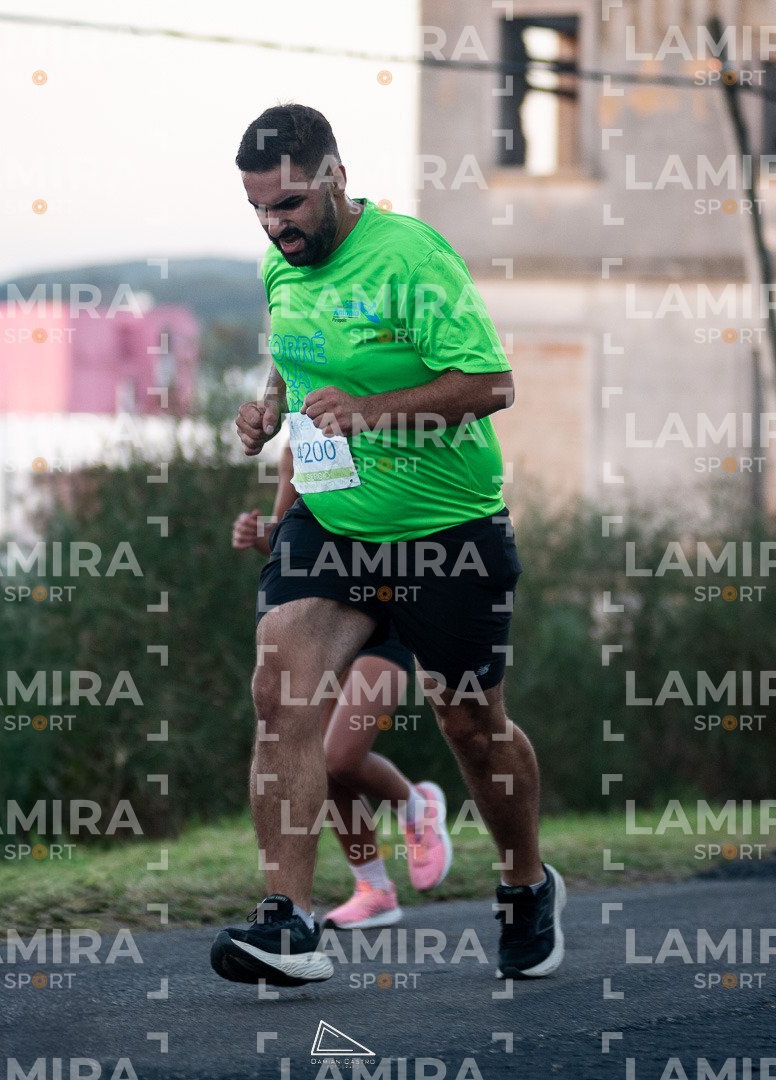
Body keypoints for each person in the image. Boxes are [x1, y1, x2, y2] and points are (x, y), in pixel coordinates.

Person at [210, 103, 565, 988]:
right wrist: (269, 408)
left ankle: (527, 883)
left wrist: (370, 413)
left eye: (290, 204)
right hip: (333, 523)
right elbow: (297, 356)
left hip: (446, 530)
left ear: (335, 177)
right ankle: (289, 922)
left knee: (472, 726)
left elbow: (492, 384)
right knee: (280, 694)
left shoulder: (411, 257)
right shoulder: (281, 265)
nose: (276, 227)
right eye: (259, 210)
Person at [231, 444, 453, 930]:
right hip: (327, 612)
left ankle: (417, 807)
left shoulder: (386, 434)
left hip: (387, 614)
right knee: (316, 759)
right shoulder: (298, 449)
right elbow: (288, 542)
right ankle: (374, 889)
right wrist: (259, 537)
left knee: (340, 757)